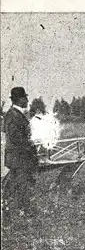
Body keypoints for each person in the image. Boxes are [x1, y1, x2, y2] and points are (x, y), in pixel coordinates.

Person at [2, 87, 39, 218]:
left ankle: (16, 212)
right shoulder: (13, 115)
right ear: (19, 99)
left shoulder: (16, 114)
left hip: (19, 158)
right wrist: (31, 144)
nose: (27, 100)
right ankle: (23, 214)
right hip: (19, 158)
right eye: (25, 98)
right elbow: (15, 138)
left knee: (17, 186)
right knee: (22, 187)